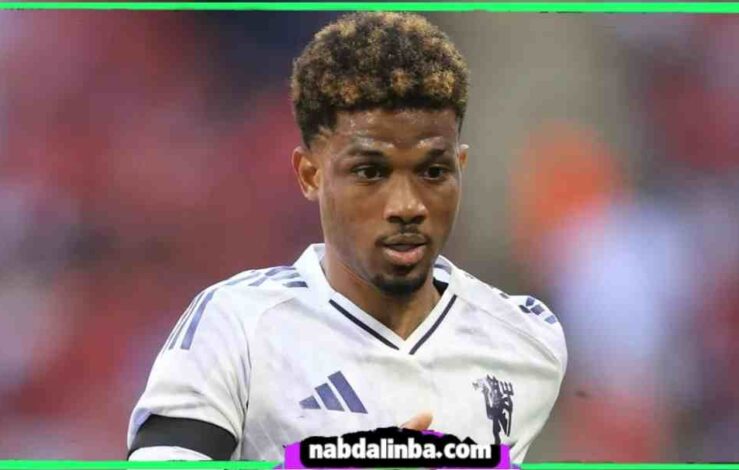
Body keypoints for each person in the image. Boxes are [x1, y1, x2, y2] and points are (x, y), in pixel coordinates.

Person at [127, 11, 566, 463]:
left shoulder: (526, 342)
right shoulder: (237, 326)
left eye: (434, 172)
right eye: (370, 172)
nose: (407, 206)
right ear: (310, 174)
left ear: (462, 167)